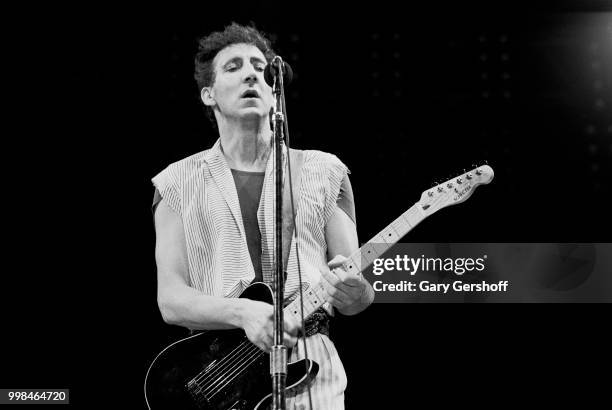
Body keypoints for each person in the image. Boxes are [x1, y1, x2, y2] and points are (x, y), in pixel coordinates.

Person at [151, 22, 375, 409]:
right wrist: (244, 312)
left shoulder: (325, 171)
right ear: (209, 94)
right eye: (234, 66)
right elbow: (171, 299)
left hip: (310, 358)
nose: (252, 73)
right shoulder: (176, 181)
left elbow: (355, 294)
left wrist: (357, 293)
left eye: (260, 67)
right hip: (217, 372)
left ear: (275, 90)